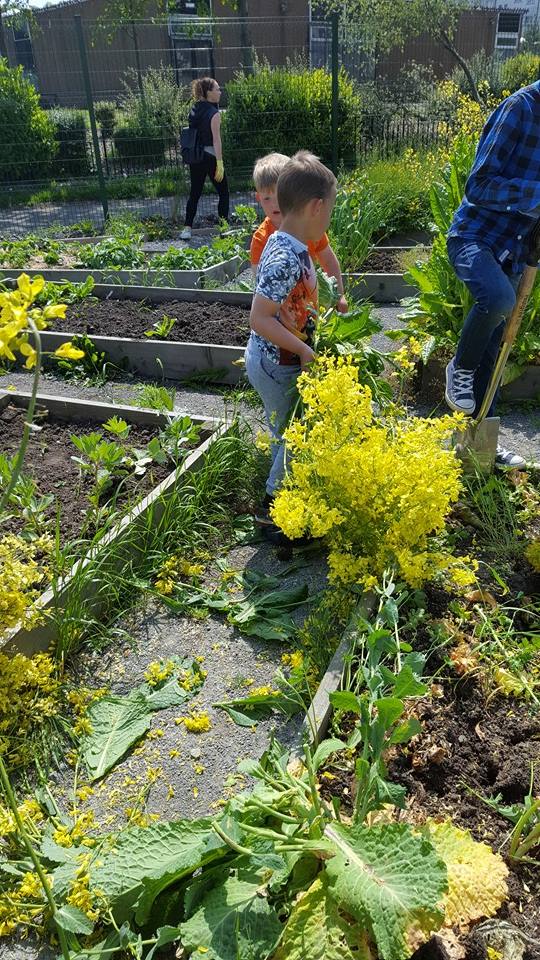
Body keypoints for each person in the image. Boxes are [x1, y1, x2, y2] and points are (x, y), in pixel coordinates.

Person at [445, 81, 540, 468]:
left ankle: (481, 447)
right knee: (498, 299)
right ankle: (459, 367)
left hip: (517, 253)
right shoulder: (521, 109)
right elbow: (479, 185)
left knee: (496, 352)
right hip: (475, 237)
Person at [246, 150, 337, 517]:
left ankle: (285, 493)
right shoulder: (285, 256)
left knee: (285, 431)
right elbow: (259, 318)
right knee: (296, 435)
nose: (329, 217)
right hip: (276, 363)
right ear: (316, 207)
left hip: (278, 359)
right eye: (330, 209)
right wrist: (302, 349)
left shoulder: (291, 243)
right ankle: (275, 510)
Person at [250, 152, 348, 313]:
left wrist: (339, 295)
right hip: (285, 312)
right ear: (259, 198)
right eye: (267, 198)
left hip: (306, 306)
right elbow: (262, 288)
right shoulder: (266, 242)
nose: (275, 204)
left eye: (279, 196)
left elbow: (329, 261)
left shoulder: (310, 230)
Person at [180, 77, 229, 241]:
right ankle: (223, 229)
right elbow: (216, 140)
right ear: (209, 93)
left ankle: (187, 229)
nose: (220, 92)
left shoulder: (194, 109)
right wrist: (220, 163)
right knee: (224, 193)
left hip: (196, 158)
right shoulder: (214, 114)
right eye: (217, 89)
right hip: (211, 158)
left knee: (195, 193)